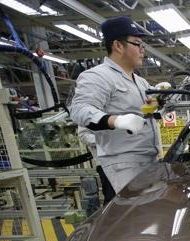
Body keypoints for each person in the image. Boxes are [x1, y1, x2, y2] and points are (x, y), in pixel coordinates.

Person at [69, 16, 160, 194]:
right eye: (137, 44)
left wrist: (160, 99)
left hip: (148, 160)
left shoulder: (140, 82)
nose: (143, 50)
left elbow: (150, 110)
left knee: (150, 213)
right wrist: (116, 121)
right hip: (124, 164)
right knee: (134, 216)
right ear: (118, 45)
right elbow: (79, 110)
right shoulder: (98, 76)